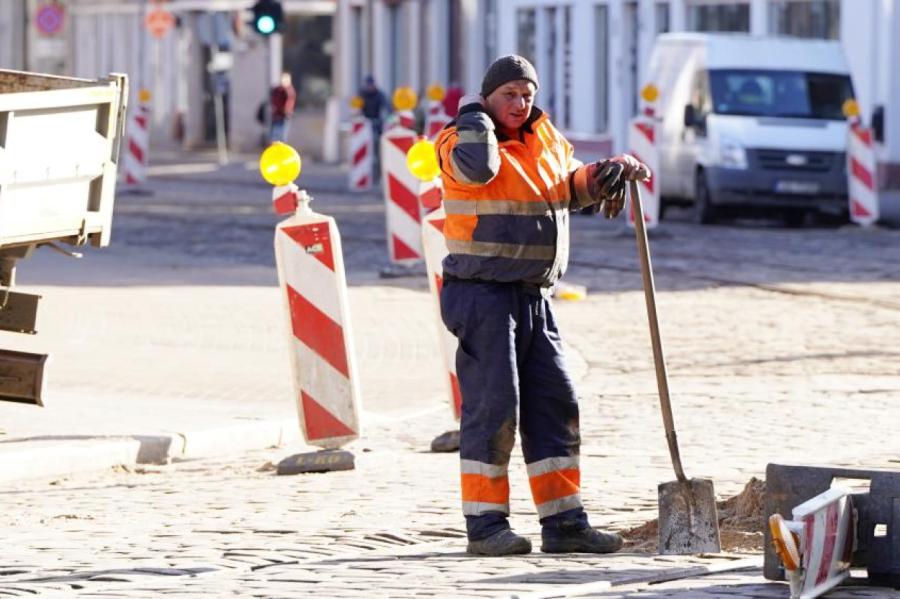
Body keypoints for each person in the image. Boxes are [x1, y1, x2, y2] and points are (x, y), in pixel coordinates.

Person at [434, 55, 649, 557]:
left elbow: (568, 186)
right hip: (482, 292)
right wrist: (472, 116)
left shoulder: (546, 139)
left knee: (555, 404)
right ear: (487, 96)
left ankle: (564, 523)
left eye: (527, 94)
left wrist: (606, 173)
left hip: (534, 294)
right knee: (495, 407)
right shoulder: (457, 140)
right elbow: (478, 168)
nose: (521, 102)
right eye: (509, 94)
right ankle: (485, 526)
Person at [359, 75, 390, 179]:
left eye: (371, 85)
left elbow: (386, 108)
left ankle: (378, 174)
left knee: (378, 150)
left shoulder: (380, 95)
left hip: (378, 126)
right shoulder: (362, 95)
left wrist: (384, 119)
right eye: (368, 85)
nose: (369, 87)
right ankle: (364, 174)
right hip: (365, 126)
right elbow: (358, 107)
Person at [269, 72, 296, 143]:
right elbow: (273, 100)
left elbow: (289, 102)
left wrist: (286, 111)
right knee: (274, 135)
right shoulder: (277, 90)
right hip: (276, 115)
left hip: (284, 116)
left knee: (282, 135)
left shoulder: (289, 90)